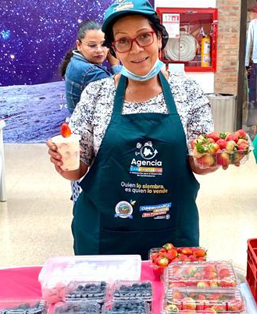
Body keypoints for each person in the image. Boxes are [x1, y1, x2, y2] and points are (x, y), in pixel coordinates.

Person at [46, 0, 216, 257]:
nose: (136, 49)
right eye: (123, 41)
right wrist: (63, 162)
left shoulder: (188, 91)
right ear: (114, 48)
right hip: (104, 235)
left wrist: (212, 159)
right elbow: (77, 168)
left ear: (159, 37)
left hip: (172, 235)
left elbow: (198, 164)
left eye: (144, 36)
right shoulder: (96, 94)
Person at [61, 20, 121, 113]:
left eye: (104, 44)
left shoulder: (74, 60)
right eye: (92, 45)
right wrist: (115, 65)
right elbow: (122, 98)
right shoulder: (91, 72)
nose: (99, 50)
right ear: (79, 45)